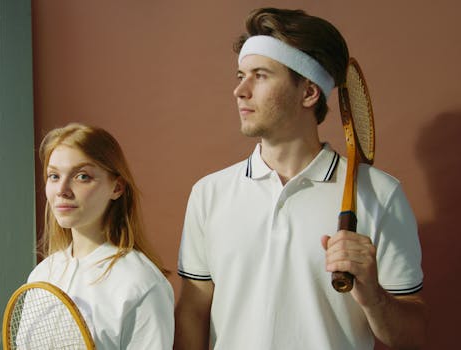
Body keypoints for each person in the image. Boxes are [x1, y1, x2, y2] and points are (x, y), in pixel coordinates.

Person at [174, 8, 426, 350]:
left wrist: (373, 295)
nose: (240, 91)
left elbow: (414, 337)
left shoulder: (381, 194)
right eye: (240, 75)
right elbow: (192, 312)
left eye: (260, 75)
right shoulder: (209, 193)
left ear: (308, 92)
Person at [26, 122, 174, 349]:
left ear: (117, 188)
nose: (62, 189)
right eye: (54, 176)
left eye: (82, 176)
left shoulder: (141, 284)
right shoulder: (41, 276)